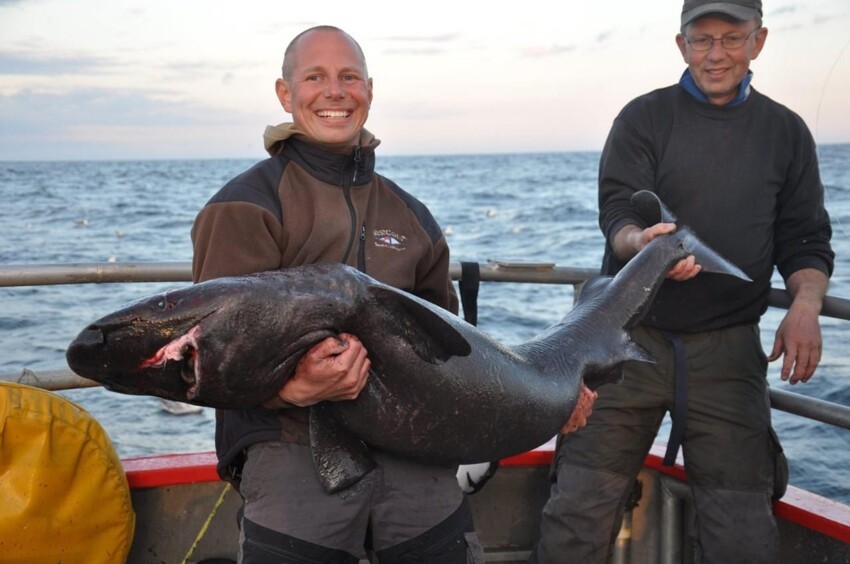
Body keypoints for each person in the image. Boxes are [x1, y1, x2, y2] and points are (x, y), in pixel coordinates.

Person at [533, 0, 834, 562]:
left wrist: (806, 304)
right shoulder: (643, 118)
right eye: (702, 39)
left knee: (740, 529)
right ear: (681, 45)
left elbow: (806, 239)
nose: (716, 54)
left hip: (729, 352)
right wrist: (639, 246)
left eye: (731, 38)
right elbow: (619, 215)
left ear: (759, 41)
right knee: (577, 510)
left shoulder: (786, 133)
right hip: (623, 340)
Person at [191, 25, 485, 563]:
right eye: (315, 77)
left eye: (349, 77)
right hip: (286, 441)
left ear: (369, 91)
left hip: (411, 444)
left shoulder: (412, 215)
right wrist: (289, 390)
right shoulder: (243, 206)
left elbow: (450, 347)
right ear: (285, 93)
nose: (334, 92)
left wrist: (551, 398)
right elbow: (213, 356)